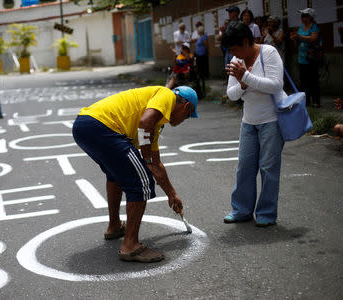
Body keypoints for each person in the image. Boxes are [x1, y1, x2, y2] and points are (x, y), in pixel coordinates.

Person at [72, 85, 198, 262]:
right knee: (141, 182)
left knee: (116, 175)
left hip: (84, 125)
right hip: (102, 126)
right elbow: (145, 124)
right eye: (188, 115)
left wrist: (172, 194)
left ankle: (114, 226)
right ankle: (130, 245)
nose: (185, 119)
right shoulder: (166, 95)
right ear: (186, 107)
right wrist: (145, 158)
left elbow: (156, 163)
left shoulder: (156, 121)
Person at [222, 21, 286, 227]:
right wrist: (241, 82)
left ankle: (266, 213)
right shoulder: (236, 60)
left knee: (268, 168)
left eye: (235, 48)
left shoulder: (268, 53)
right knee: (244, 168)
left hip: (271, 120)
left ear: (246, 41)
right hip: (248, 122)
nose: (234, 54)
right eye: (231, 50)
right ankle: (241, 210)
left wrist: (246, 76)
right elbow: (231, 95)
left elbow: (275, 85)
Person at [289, 8, 321, 108]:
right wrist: (294, 39)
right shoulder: (301, 27)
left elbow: (313, 38)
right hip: (301, 58)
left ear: (310, 17)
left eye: (305, 15)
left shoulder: (314, 27)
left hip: (312, 58)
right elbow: (298, 42)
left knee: (313, 80)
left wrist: (299, 37)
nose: (302, 18)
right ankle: (306, 101)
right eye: (302, 15)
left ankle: (316, 101)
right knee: (303, 81)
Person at [195, 26, 209, 98]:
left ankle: (203, 88)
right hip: (198, 56)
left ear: (200, 31)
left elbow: (206, 45)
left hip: (202, 56)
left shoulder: (204, 37)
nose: (197, 32)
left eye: (198, 30)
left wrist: (207, 53)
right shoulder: (200, 37)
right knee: (198, 71)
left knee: (201, 71)